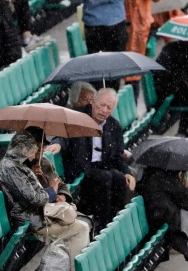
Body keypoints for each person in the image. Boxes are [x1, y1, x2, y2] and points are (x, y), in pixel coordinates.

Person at [0, 132, 90, 271]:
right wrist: (52, 190)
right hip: (30, 219)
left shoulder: (17, 166)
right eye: (34, 151)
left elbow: (36, 193)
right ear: (24, 150)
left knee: (83, 223)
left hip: (34, 214)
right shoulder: (12, 169)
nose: (34, 156)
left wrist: (42, 179)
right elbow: (34, 199)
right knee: (81, 228)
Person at [50, 88, 136, 228]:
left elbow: (117, 156)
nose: (104, 110)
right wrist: (58, 144)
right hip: (80, 168)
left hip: (101, 166)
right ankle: (103, 223)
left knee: (120, 178)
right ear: (93, 101)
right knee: (106, 176)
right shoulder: (77, 117)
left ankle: (115, 221)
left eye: (109, 107)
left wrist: (127, 172)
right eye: (102, 105)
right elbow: (62, 136)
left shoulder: (114, 126)